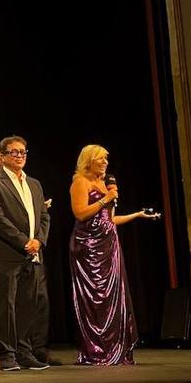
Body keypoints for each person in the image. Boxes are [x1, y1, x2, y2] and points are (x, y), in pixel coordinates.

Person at [69, 145, 155, 366]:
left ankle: (113, 349)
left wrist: (137, 215)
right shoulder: (81, 182)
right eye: (101, 159)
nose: (106, 163)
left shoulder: (105, 185)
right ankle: (96, 350)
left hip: (109, 245)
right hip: (88, 246)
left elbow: (110, 220)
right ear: (89, 161)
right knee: (95, 298)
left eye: (107, 159)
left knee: (111, 297)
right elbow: (80, 213)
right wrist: (105, 199)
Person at [0, 135, 52, 372]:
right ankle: (7, 354)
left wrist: (39, 241)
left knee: (28, 305)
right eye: (14, 152)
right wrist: (24, 242)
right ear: (2, 157)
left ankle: (24, 351)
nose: (20, 156)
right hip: (9, 254)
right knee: (8, 305)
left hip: (33, 253)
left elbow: (43, 216)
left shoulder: (34, 184)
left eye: (23, 152)